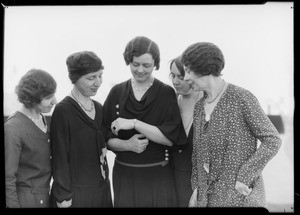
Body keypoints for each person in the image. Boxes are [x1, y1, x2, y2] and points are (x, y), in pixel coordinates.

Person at [181, 42, 282, 207]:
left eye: (188, 71)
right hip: (207, 201)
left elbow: (272, 140)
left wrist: (245, 176)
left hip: (239, 198)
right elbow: (197, 154)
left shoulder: (241, 98)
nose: (185, 78)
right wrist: (196, 189)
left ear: (204, 69)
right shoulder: (199, 107)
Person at [103, 36, 187, 207]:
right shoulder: (116, 92)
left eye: (146, 65)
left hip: (158, 176)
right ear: (128, 61)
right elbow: (103, 137)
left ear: (155, 64)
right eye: (135, 64)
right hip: (124, 176)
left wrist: (134, 123)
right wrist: (127, 145)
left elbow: (171, 139)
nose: (140, 70)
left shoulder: (166, 93)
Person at [50, 51, 113, 208]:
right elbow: (60, 156)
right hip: (75, 195)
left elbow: (105, 143)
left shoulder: (99, 108)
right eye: (91, 78)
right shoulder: (63, 111)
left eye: (100, 75)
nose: (98, 82)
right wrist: (63, 195)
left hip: (102, 191)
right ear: (75, 78)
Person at [5, 69, 57, 208]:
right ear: (32, 97)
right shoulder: (13, 128)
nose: (55, 101)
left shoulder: (41, 117)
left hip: (45, 197)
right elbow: (8, 179)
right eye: (49, 97)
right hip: (25, 202)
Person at [169, 55, 202, 207]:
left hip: (199, 183)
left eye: (181, 77)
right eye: (173, 75)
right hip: (171, 179)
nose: (175, 81)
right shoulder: (170, 102)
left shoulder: (207, 103)